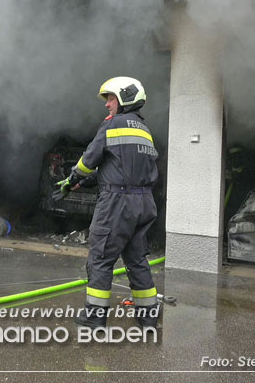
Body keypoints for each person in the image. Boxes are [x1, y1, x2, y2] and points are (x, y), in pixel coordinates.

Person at [56, 76, 160, 329]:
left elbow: (88, 160)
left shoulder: (112, 125)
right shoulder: (144, 131)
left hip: (117, 204)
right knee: (137, 261)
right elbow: (121, 168)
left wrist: (71, 180)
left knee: (100, 259)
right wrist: (88, 182)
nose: (107, 105)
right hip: (144, 203)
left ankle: (94, 318)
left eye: (110, 98)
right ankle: (148, 320)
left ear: (124, 99)